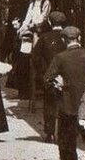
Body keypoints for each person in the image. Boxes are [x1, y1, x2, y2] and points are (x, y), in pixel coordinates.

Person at [43, 26, 85, 160]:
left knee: (67, 141)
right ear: (79, 39)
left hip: (68, 105)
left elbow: (47, 80)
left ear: (64, 40)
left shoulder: (61, 57)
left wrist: (58, 85)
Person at [30, 10, 69, 140]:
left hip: (50, 77)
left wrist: (43, 73)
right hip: (67, 78)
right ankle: (65, 133)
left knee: (50, 105)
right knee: (66, 104)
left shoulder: (44, 38)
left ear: (49, 22)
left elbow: (35, 59)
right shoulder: (69, 37)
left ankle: (50, 133)